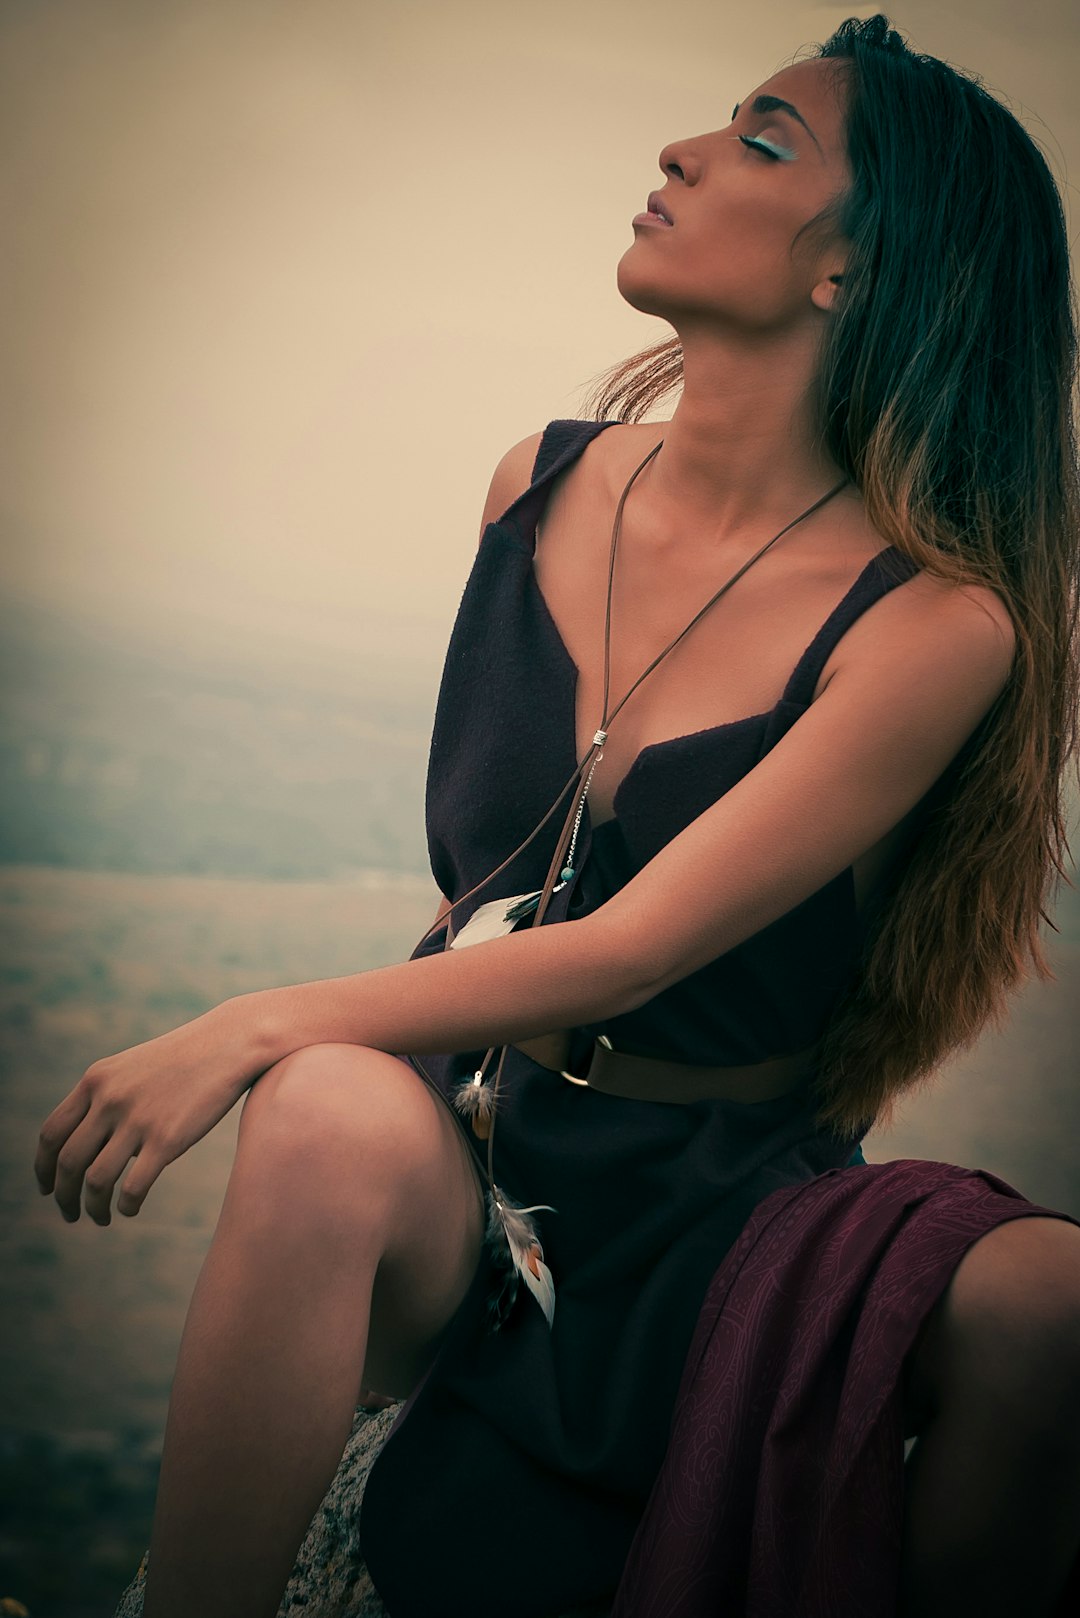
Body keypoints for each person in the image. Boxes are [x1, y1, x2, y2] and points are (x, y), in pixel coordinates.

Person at [34, 12, 1080, 1618]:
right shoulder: (536, 476)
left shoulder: (935, 626)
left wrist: (242, 1020)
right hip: (469, 1151)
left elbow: (632, 946)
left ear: (850, 274)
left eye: (763, 140)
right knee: (323, 1105)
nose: (683, 149)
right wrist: (308, 1053)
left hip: (703, 1221)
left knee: (1050, 1299)